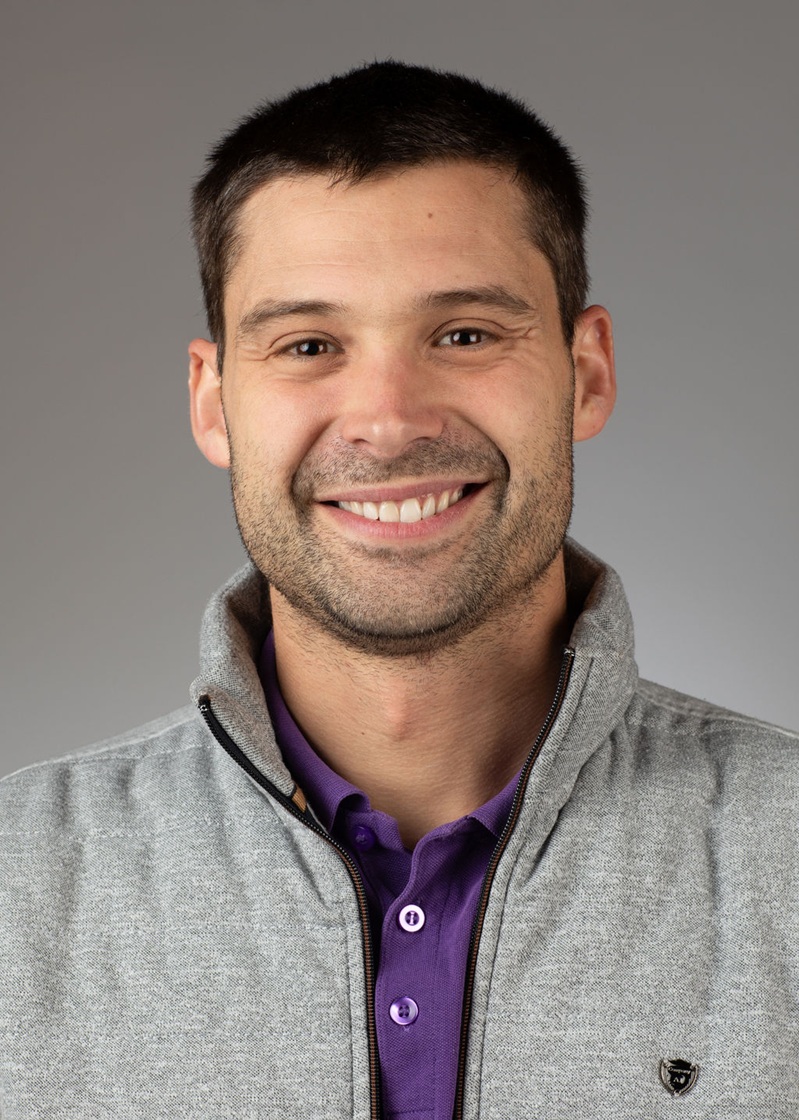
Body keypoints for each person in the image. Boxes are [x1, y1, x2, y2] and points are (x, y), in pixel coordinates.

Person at [1, 60, 797, 1120]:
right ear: (212, 401)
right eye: (309, 345)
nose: (387, 417)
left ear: (587, 370)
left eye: (464, 333)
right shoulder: (19, 881)